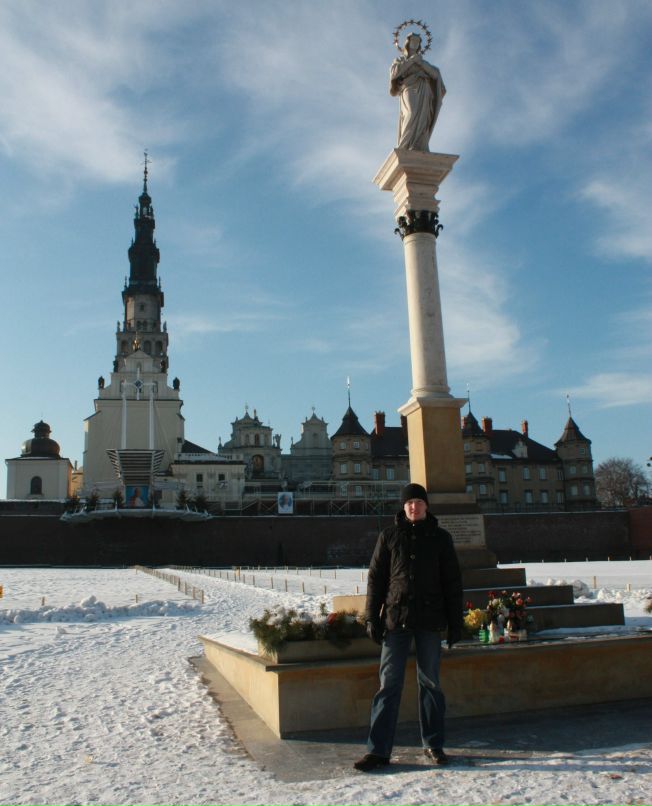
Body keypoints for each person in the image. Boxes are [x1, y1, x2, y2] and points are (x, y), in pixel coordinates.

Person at [354, 482, 463, 772]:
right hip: (396, 618)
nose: (413, 507)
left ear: (426, 505)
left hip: (429, 620)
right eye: (409, 503)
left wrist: (455, 623)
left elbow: (452, 583)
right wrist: (371, 616)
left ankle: (433, 744)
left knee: (431, 683)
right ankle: (378, 750)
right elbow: (376, 579)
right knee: (388, 685)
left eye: (418, 502)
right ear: (403, 507)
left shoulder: (441, 538)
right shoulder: (389, 536)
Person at [390, 33, 446, 151]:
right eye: (413, 40)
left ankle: (418, 144)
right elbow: (395, 73)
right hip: (408, 88)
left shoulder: (422, 62)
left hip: (424, 90)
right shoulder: (400, 60)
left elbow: (435, 75)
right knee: (411, 113)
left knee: (423, 118)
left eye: (418, 41)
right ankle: (404, 145)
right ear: (407, 43)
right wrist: (411, 61)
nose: (415, 43)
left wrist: (421, 63)